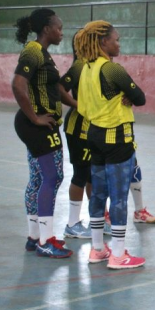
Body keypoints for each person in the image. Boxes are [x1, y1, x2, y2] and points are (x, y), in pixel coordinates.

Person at [76, 20, 147, 269]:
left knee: (98, 193)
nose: (119, 43)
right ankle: (118, 254)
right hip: (116, 136)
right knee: (118, 197)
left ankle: (97, 249)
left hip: (93, 134)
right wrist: (126, 96)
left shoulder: (86, 68)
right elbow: (140, 97)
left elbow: (83, 104)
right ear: (103, 42)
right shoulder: (112, 69)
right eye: (116, 39)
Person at [12, 8, 73, 258]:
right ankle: (46, 241)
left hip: (38, 124)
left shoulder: (43, 54)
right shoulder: (33, 52)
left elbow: (54, 89)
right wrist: (35, 117)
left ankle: (34, 236)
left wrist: (78, 105)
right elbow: (17, 84)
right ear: (47, 29)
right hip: (38, 125)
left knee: (38, 180)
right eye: (59, 27)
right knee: (52, 177)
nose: (61, 32)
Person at [59, 31, 93, 239]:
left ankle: (98, 217)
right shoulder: (80, 65)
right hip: (78, 128)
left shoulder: (99, 65)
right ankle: (72, 223)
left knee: (94, 175)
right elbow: (59, 87)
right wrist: (74, 104)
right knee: (81, 174)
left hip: (95, 127)